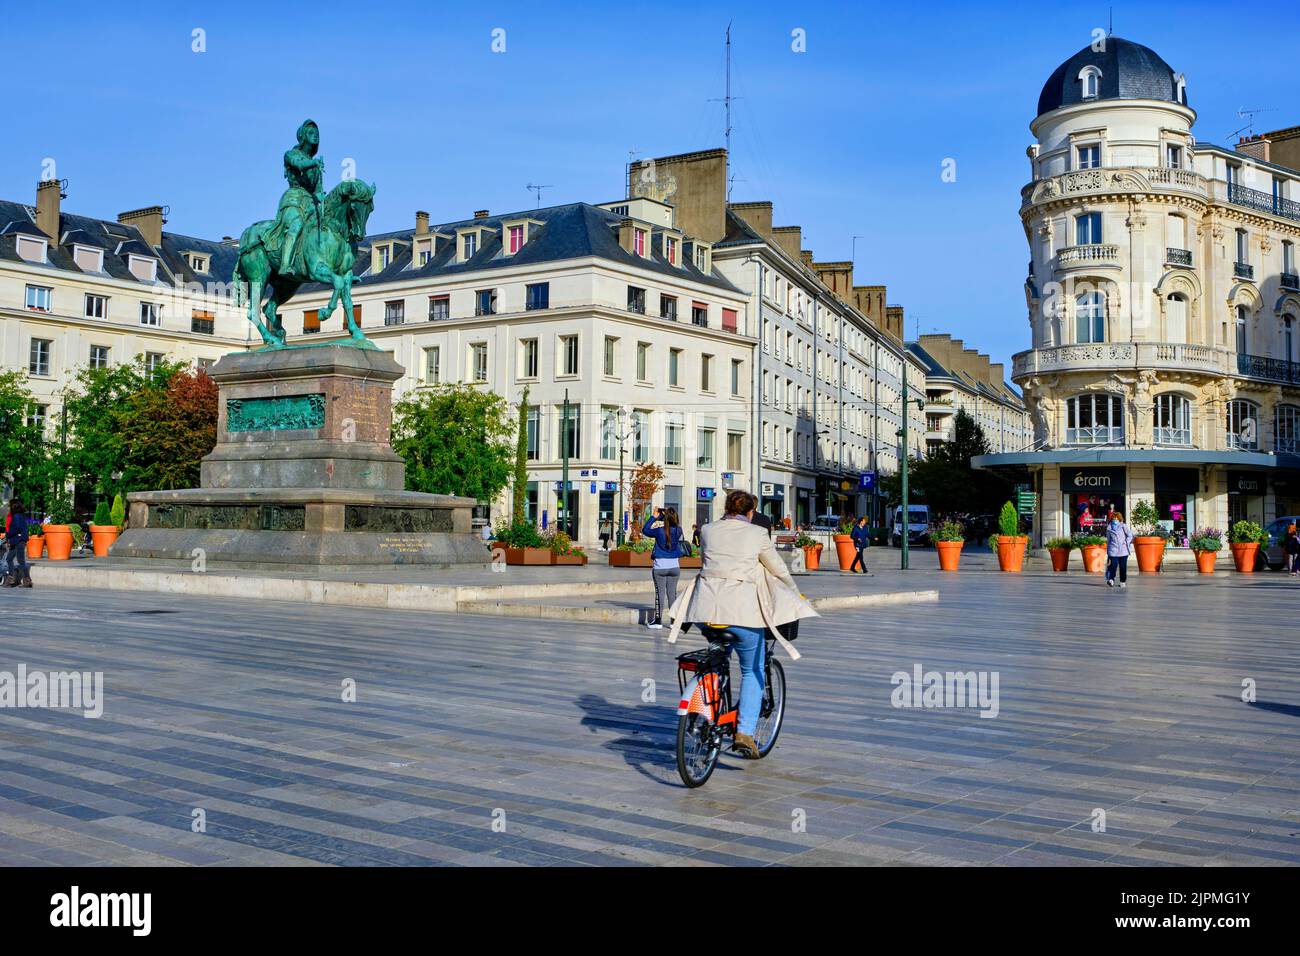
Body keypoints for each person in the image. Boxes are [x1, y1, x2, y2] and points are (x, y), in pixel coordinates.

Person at [671, 490, 818, 757]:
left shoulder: (708, 530)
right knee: (751, 670)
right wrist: (795, 592)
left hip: (705, 612)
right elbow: (778, 569)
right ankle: (744, 732)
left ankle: (707, 710)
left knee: (716, 659)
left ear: (726, 508)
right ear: (751, 512)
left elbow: (708, 561)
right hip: (741, 614)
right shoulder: (756, 534)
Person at [642, 507, 685, 629]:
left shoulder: (659, 530)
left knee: (660, 593)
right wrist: (665, 514)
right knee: (672, 594)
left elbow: (645, 530)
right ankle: (673, 622)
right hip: (674, 566)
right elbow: (671, 524)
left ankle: (658, 621)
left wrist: (655, 517)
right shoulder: (678, 530)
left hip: (660, 566)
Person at [2, 500, 33, 589]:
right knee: (9, 558)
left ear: (13, 507)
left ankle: (27, 581)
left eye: (9, 506)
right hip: (16, 541)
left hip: (19, 541)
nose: (8, 508)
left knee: (21, 560)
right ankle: (11, 579)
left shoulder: (17, 516)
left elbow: (17, 529)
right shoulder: (18, 516)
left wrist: (8, 534)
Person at [1105, 510, 1135, 589]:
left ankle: (1122, 581)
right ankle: (1111, 579)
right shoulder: (1109, 528)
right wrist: (1108, 550)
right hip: (1113, 550)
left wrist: (1126, 542)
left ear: (1119, 518)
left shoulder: (1123, 526)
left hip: (1123, 550)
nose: (1115, 520)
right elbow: (1108, 539)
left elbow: (1130, 535)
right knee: (1113, 565)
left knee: (1123, 566)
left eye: (1116, 518)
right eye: (1113, 518)